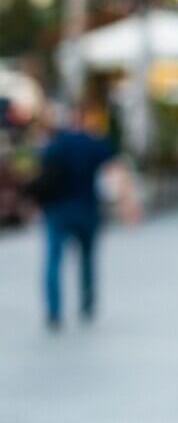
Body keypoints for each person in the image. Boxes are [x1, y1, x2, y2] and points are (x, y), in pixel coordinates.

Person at [33, 102, 131, 330]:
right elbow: (116, 168)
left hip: (57, 210)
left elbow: (43, 176)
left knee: (53, 261)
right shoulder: (94, 143)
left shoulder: (55, 144)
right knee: (87, 260)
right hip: (87, 209)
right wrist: (126, 204)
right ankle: (87, 304)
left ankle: (54, 311)